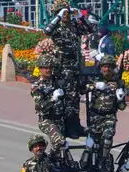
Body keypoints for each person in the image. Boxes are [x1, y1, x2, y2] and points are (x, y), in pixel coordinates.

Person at [43, 0, 94, 137]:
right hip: (64, 67)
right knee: (67, 98)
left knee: (75, 97)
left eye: (67, 12)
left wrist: (80, 17)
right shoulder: (57, 27)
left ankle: (76, 126)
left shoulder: (73, 26)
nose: (66, 15)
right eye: (63, 12)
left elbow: (90, 29)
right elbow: (46, 31)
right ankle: (69, 128)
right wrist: (58, 17)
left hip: (75, 67)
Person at [84, 55, 127, 161]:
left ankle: (104, 160)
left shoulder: (118, 83)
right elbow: (81, 89)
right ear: (101, 67)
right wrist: (94, 86)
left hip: (109, 116)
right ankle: (87, 162)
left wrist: (120, 98)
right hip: (95, 115)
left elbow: (122, 107)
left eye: (109, 67)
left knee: (107, 138)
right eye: (104, 66)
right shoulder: (94, 79)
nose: (107, 69)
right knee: (92, 142)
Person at [31, 55, 67, 159]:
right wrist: (53, 99)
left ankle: (54, 165)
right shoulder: (37, 86)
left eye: (50, 67)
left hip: (60, 119)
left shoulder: (56, 81)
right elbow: (41, 106)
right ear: (40, 69)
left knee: (62, 149)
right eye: (45, 67)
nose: (48, 70)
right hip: (46, 120)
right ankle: (49, 161)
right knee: (59, 141)